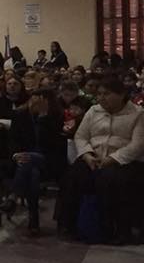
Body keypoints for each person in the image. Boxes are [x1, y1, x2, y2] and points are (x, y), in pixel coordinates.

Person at [59, 76, 144, 243]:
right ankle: (71, 225)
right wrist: (87, 155)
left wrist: (113, 158)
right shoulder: (93, 111)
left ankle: (119, 230)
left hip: (124, 160)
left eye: (107, 94)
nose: (101, 98)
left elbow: (138, 144)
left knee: (113, 179)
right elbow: (81, 136)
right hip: (94, 156)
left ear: (121, 95)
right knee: (74, 175)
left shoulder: (138, 114)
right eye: (99, 94)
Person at [0, 88, 65, 235]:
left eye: (40, 101)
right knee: (32, 173)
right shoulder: (20, 115)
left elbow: (53, 145)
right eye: (33, 99)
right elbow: (13, 140)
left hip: (48, 160)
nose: (35, 104)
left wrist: (43, 118)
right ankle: (33, 219)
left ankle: (13, 197)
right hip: (24, 162)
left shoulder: (55, 117)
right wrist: (16, 155)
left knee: (30, 161)